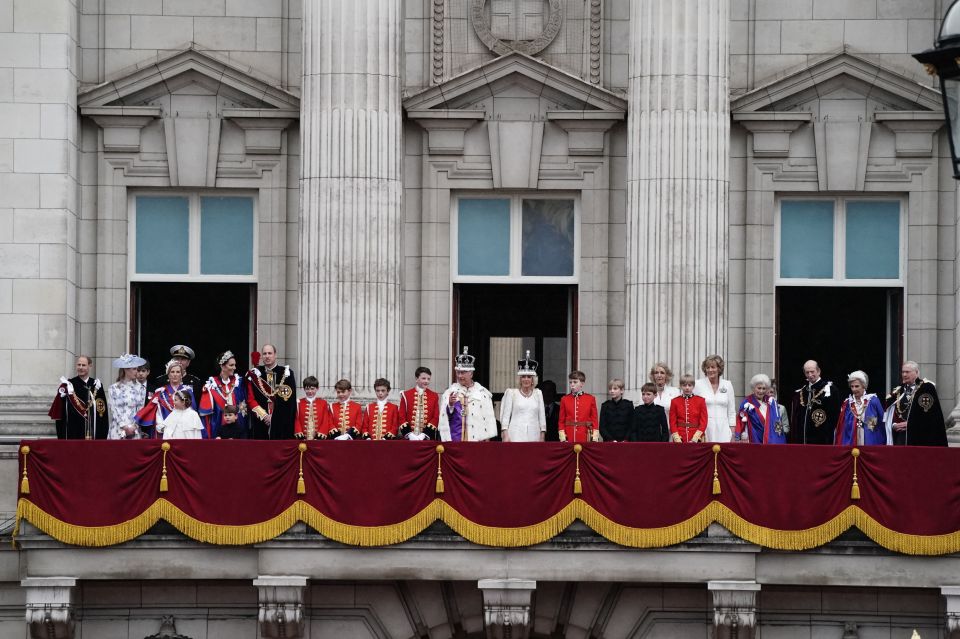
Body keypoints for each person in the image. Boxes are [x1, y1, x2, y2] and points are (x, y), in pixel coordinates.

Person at [438, 347, 497, 441]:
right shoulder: (450, 392)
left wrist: (487, 440)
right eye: (458, 372)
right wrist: (450, 405)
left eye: (463, 372)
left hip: (477, 442)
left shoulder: (482, 393)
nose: (460, 376)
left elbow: (488, 420)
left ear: (471, 373)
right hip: (455, 440)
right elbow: (444, 419)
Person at [884, 361, 947, 447]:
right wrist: (893, 425)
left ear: (916, 373)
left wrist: (910, 424)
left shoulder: (926, 388)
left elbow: (929, 415)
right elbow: (890, 413)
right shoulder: (898, 391)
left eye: (907, 372)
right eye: (903, 372)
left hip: (919, 437)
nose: (904, 375)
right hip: (899, 437)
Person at [48, 355, 109, 439]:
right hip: (73, 432)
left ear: (90, 366)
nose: (80, 367)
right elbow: (60, 412)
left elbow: (102, 412)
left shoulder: (97, 385)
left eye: (83, 365)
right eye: (78, 365)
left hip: (93, 433)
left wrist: (103, 433)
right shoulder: (68, 385)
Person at [245, 344, 298, 440]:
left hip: (280, 423)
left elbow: (289, 401)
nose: (267, 356)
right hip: (260, 422)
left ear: (275, 355)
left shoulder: (286, 373)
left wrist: (273, 418)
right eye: (264, 353)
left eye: (270, 353)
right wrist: (264, 416)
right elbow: (250, 399)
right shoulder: (255, 374)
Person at [135, 359, 197, 439]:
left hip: (184, 431)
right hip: (166, 432)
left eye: (178, 372)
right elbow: (157, 413)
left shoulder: (188, 392)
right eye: (172, 372)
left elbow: (192, 412)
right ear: (168, 374)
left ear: (181, 375)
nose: (175, 374)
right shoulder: (161, 392)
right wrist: (162, 426)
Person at [199, 351, 248, 439]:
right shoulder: (211, 385)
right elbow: (206, 416)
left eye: (234, 365)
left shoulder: (238, 383)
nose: (234, 368)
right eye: (231, 365)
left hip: (236, 430)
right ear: (222, 366)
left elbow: (242, 408)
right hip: (217, 428)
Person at [790, 360, 840, 445]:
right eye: (807, 372)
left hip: (823, 438)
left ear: (818, 371)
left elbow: (835, 415)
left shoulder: (829, 389)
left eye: (812, 371)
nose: (810, 375)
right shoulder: (802, 391)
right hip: (803, 439)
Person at [499, 352, 546, 442]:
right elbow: (505, 417)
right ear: (519, 379)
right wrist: (505, 435)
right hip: (515, 435)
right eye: (523, 377)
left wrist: (542, 436)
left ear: (533, 380)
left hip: (534, 435)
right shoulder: (512, 393)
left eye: (529, 377)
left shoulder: (538, 394)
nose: (526, 379)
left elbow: (542, 417)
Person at [836, 370, 887, 446]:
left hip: (870, 440)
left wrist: (867, 425)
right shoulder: (847, 403)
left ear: (864, 386)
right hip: (851, 441)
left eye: (857, 386)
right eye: (852, 386)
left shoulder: (872, 401)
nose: (854, 389)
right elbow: (842, 426)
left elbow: (881, 421)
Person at [694, 355, 736, 443]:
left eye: (713, 367)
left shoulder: (727, 385)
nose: (710, 370)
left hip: (723, 428)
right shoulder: (698, 384)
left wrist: (732, 432)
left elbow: (731, 411)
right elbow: (694, 409)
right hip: (704, 428)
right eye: (707, 367)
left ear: (719, 368)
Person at [736, 374, 787, 444]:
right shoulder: (747, 402)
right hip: (754, 439)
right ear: (753, 388)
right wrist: (738, 436)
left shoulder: (771, 402)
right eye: (759, 388)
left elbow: (777, 420)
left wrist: (779, 438)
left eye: (764, 388)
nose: (761, 391)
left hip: (771, 440)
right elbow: (740, 421)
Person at [108, 353, 148, 440]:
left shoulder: (141, 388)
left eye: (137, 369)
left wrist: (134, 426)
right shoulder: (113, 388)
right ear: (126, 369)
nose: (137, 372)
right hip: (118, 429)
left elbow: (141, 409)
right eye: (134, 369)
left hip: (135, 430)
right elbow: (113, 410)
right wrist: (124, 426)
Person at [398, 367, 440, 441]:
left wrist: (424, 434)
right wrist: (409, 434)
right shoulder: (406, 395)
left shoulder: (434, 396)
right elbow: (401, 416)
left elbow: (436, 417)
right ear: (416, 379)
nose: (426, 381)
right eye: (423, 378)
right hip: (409, 439)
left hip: (427, 439)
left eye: (428, 379)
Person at [558, 370, 599, 443]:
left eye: (575, 382)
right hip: (569, 436)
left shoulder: (590, 399)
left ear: (582, 384)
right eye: (570, 382)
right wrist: (563, 438)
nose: (572, 384)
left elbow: (594, 419)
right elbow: (561, 420)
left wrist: (594, 438)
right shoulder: (564, 399)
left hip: (585, 436)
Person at [669, 374, 707, 443]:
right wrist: (677, 438)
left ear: (693, 386)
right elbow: (672, 422)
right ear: (680, 386)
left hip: (696, 437)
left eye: (689, 385)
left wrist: (695, 438)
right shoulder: (674, 401)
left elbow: (703, 422)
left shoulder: (701, 401)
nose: (687, 388)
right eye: (684, 385)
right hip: (680, 436)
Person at [295, 376, 330, 440]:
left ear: (317, 388)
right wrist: (299, 432)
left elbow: (325, 420)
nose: (310, 391)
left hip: (318, 438)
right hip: (303, 438)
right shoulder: (298, 403)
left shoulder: (323, 403)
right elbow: (296, 419)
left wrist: (321, 433)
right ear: (304, 389)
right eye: (307, 389)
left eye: (312, 389)